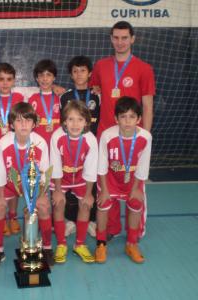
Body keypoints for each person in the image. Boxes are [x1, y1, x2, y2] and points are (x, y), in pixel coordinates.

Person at [90, 21, 155, 239]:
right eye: (116, 37)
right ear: (111, 39)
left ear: (133, 39)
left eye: (124, 38)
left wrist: (143, 138)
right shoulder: (100, 66)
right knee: (106, 183)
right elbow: (92, 89)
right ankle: (112, 228)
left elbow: (147, 106)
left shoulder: (144, 69)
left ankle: (135, 231)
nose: (120, 42)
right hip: (106, 134)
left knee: (133, 183)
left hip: (131, 136)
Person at [0, 102, 54, 269]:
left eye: (27, 120)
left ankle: (46, 248)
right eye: (18, 120)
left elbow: (44, 174)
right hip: (9, 185)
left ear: (34, 124)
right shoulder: (3, 143)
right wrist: (0, 197)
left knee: (44, 207)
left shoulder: (40, 143)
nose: (23, 124)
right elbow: (0, 172)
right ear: (11, 124)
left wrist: (42, 196)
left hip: (32, 185)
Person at [95, 97, 152, 264]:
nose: (127, 121)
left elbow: (142, 167)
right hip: (110, 180)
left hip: (132, 181)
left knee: (135, 204)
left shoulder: (145, 137)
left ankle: (132, 243)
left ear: (139, 119)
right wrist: (104, 190)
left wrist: (136, 189)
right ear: (116, 119)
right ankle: (101, 243)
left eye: (132, 117)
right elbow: (102, 166)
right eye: (123, 116)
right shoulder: (107, 135)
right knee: (103, 205)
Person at [50, 101, 98, 263]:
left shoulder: (90, 139)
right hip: (60, 178)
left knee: (85, 204)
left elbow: (91, 169)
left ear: (86, 122)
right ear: (64, 121)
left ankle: (79, 244)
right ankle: (61, 244)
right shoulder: (57, 137)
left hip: (80, 178)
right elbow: (55, 165)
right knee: (59, 204)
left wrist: (88, 194)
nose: (75, 124)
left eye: (80, 119)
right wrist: (57, 190)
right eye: (70, 119)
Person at [60, 56, 100, 238]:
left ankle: (91, 220)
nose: (79, 74)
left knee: (90, 183)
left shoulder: (97, 95)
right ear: (71, 74)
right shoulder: (65, 96)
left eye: (83, 70)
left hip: (91, 146)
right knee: (70, 180)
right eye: (75, 71)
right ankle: (69, 221)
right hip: (71, 145)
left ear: (90, 73)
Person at [0, 62, 25, 236]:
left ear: (14, 81)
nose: (5, 83)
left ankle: (13, 216)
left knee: (13, 183)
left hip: (14, 150)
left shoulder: (19, 99)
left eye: (9, 79)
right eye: (1, 79)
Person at [26, 59, 61, 146]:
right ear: (37, 78)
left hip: (56, 141)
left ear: (54, 77)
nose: (45, 79)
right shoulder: (31, 98)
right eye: (41, 75)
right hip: (36, 142)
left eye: (48, 75)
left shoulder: (60, 97)